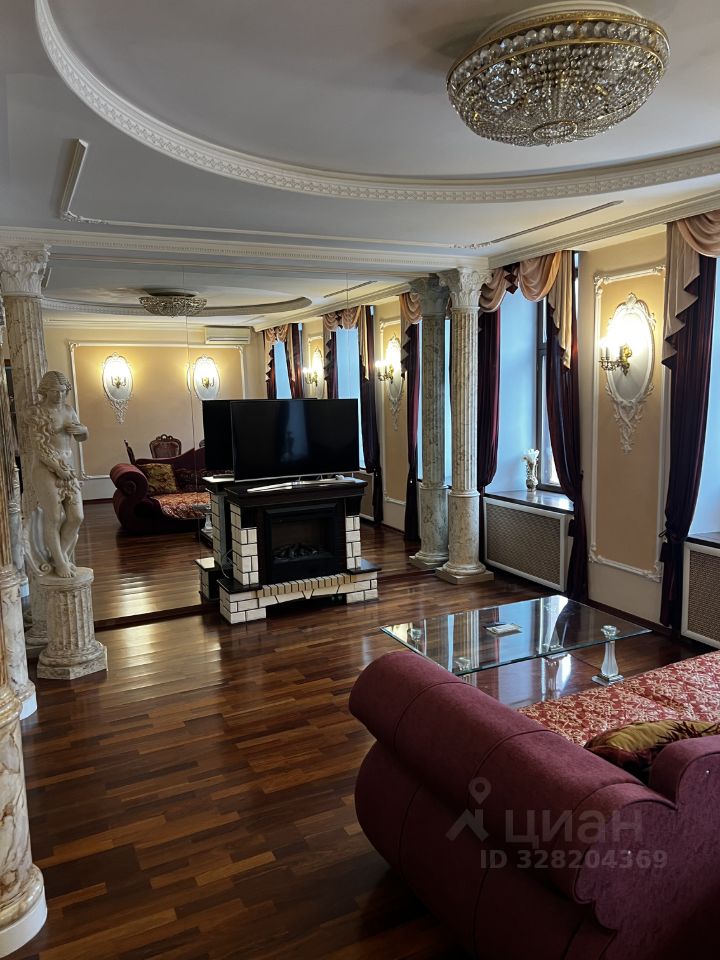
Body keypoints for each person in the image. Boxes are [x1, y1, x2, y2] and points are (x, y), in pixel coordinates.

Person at [26, 371, 88, 578]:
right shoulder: (37, 412)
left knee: (76, 516)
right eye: (55, 391)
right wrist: (58, 468)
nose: (60, 395)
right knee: (53, 516)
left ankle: (57, 558)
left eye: (62, 391)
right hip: (45, 469)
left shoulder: (69, 410)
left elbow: (81, 437)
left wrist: (83, 431)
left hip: (67, 467)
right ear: (45, 391)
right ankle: (61, 563)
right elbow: (39, 448)